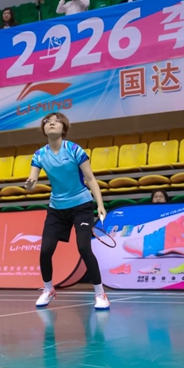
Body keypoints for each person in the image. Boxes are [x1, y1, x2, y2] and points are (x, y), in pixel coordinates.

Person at [24, 112, 110, 310]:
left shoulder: (74, 149)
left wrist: (100, 204)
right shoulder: (39, 155)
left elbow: (90, 179)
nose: (51, 124)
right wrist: (29, 185)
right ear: (43, 129)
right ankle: (48, 290)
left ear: (64, 128)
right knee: (45, 250)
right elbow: (32, 182)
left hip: (81, 205)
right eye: (48, 122)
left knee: (84, 247)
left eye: (56, 121)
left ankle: (100, 293)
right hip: (57, 208)